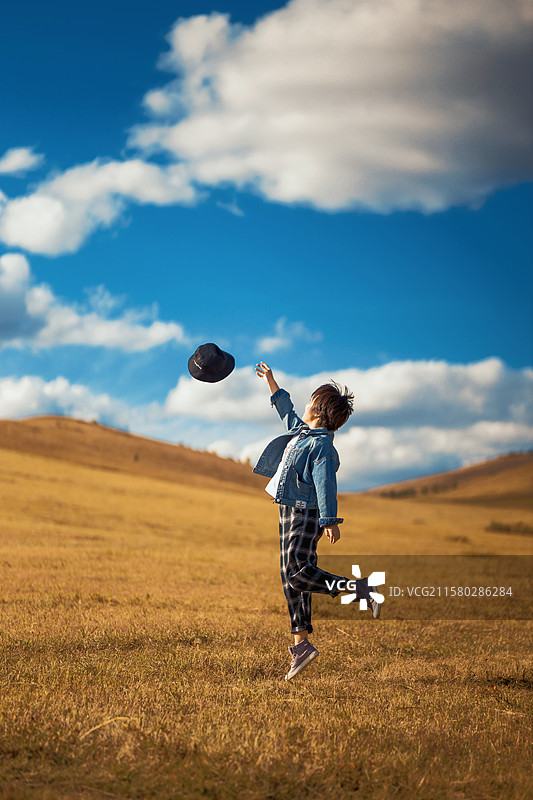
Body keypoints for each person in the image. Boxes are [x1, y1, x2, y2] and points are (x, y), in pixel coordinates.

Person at [254, 362, 380, 681]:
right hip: (286, 510)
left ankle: (358, 589)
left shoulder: (321, 445)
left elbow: (325, 483)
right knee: (291, 579)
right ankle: (301, 647)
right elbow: (286, 410)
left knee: (297, 573)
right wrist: (271, 382)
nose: (306, 404)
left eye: (311, 400)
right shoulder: (302, 432)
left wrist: (329, 520)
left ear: (319, 412)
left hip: (305, 513)